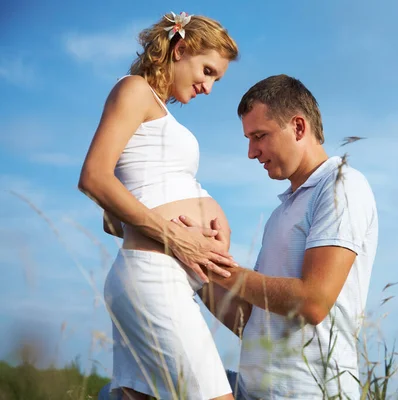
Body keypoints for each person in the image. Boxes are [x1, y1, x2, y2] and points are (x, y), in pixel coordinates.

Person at [174, 74, 379, 399]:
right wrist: (197, 264)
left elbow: (314, 301)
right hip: (251, 390)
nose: (251, 152)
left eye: (260, 136)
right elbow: (251, 321)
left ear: (298, 127)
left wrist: (224, 272)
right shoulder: (280, 212)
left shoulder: (342, 186)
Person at [79, 11, 240, 400]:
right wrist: (179, 240)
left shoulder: (157, 111)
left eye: (215, 79)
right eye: (207, 71)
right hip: (153, 276)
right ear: (180, 48)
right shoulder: (134, 90)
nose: (208, 87)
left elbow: (118, 213)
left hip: (165, 278)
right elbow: (94, 178)